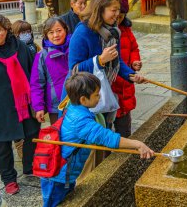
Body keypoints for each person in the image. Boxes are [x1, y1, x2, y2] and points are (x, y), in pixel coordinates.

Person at [40, 72, 154, 207]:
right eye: (96, 95)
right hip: (58, 176)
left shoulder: (74, 107)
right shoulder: (80, 121)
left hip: (64, 172)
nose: (99, 97)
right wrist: (137, 144)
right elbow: (107, 137)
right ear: (83, 99)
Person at [67, 0, 146, 125]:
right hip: (83, 97)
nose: (117, 15)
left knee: (106, 134)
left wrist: (131, 75)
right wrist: (99, 60)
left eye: (118, 10)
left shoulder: (113, 31)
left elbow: (117, 60)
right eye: (113, 10)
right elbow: (74, 69)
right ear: (100, 8)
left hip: (103, 93)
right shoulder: (82, 32)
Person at [0, 13, 40, 195]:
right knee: (3, 144)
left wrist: (37, 100)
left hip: (24, 101)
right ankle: (9, 179)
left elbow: (32, 72)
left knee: (32, 133)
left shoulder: (19, 46)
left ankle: (29, 166)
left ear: (6, 30)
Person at [110, 0, 142, 137]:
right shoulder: (99, 33)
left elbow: (134, 48)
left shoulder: (126, 31)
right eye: (115, 14)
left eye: (121, 15)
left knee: (124, 127)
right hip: (110, 87)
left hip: (126, 83)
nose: (118, 18)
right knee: (108, 131)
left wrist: (135, 61)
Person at [30, 17, 71, 125]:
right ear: (46, 35)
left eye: (59, 31)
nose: (55, 35)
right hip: (56, 106)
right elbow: (37, 84)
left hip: (79, 101)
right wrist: (38, 107)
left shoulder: (75, 48)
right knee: (59, 137)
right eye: (51, 32)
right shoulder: (42, 55)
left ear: (65, 30)